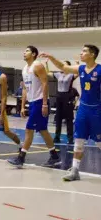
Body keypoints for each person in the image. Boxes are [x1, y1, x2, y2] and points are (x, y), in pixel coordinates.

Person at [40, 45, 101, 181]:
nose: (81, 53)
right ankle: (74, 170)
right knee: (79, 139)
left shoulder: (100, 70)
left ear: (92, 54)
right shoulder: (80, 69)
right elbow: (63, 67)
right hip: (83, 109)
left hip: (97, 110)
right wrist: (51, 57)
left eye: (84, 51)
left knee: (99, 141)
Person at [7, 46, 60, 169]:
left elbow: (45, 83)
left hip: (40, 101)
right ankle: (55, 156)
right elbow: (25, 88)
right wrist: (22, 106)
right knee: (42, 130)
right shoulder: (25, 69)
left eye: (27, 51)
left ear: (34, 54)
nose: (24, 52)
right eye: (24, 50)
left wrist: (45, 104)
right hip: (32, 102)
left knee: (28, 129)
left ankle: (21, 158)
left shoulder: (38, 66)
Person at [45, 59, 76, 144]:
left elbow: (78, 73)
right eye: (62, 65)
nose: (63, 66)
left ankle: (70, 138)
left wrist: (77, 64)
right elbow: (48, 72)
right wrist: (46, 63)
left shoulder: (71, 75)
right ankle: (57, 137)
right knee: (58, 118)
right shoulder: (58, 74)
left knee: (69, 119)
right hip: (59, 97)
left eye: (65, 65)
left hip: (67, 97)